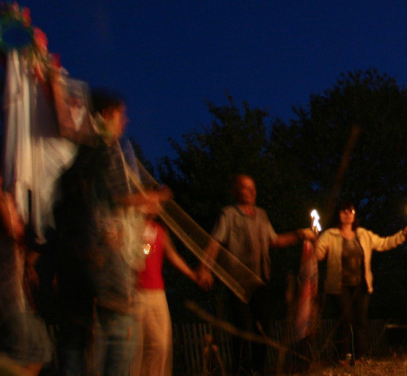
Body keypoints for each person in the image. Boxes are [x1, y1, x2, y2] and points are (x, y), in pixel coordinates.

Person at [53, 89, 169, 376]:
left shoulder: (72, 163)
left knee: (74, 339)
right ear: (106, 115)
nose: (125, 122)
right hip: (103, 255)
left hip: (70, 260)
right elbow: (121, 195)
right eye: (121, 115)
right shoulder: (107, 149)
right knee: (122, 329)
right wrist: (155, 197)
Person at [197, 174, 315, 375]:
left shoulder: (261, 215)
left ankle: (258, 370)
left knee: (262, 329)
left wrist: (299, 234)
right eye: (245, 188)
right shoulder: (228, 215)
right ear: (235, 191)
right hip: (238, 281)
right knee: (242, 328)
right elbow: (215, 243)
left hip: (261, 280)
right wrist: (204, 267)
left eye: (253, 188)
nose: (251, 192)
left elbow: (274, 241)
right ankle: (241, 371)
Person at [314, 202, 407, 363]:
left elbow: (383, 243)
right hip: (340, 285)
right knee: (345, 320)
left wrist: (403, 234)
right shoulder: (330, 235)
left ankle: (362, 355)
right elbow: (318, 256)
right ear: (339, 214)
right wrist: (313, 242)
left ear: (354, 215)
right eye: (344, 211)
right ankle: (343, 357)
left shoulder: (363, 235)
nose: (347, 214)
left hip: (361, 284)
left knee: (361, 320)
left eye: (351, 211)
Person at [132, 197, 206, 376]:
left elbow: (171, 254)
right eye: (151, 201)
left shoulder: (160, 230)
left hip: (158, 291)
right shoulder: (132, 228)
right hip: (138, 293)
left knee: (163, 343)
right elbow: (137, 256)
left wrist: (192, 274)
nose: (156, 206)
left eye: (157, 203)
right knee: (142, 343)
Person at [0, 176, 51, 375]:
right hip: (9, 295)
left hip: (15, 292)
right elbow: (15, 231)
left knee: (36, 351)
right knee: (31, 354)